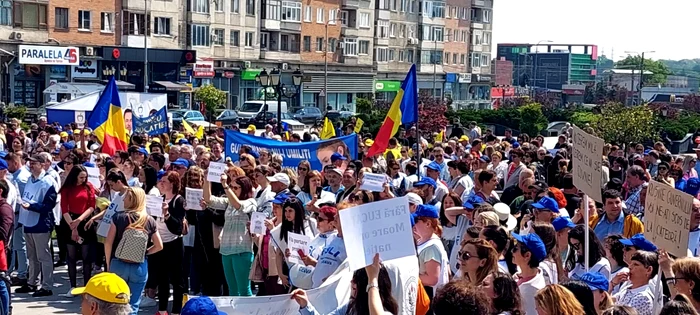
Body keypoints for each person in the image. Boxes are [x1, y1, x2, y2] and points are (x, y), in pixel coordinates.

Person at [104, 187, 163, 315]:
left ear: (132, 200)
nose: (124, 199)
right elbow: (159, 245)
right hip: (139, 266)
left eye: (126, 197)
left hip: (118, 263)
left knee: (116, 304)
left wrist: (108, 264)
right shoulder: (149, 220)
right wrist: (144, 252)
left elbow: (108, 242)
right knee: (134, 304)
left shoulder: (118, 217)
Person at [202, 173, 257, 296]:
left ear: (245, 189)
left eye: (235, 188)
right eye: (231, 187)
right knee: (232, 289)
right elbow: (208, 200)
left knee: (243, 289)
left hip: (242, 250)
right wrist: (207, 181)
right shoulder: (228, 202)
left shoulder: (251, 201)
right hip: (226, 250)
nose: (232, 189)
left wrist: (225, 185)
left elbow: (239, 206)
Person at [291, 253, 399, 315]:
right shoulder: (351, 307)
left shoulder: (386, 312)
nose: (351, 282)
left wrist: (372, 279)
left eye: (356, 279)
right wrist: (305, 305)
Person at [16, 154, 58, 297]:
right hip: (28, 222)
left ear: (42, 164)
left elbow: (49, 205)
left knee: (43, 256)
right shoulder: (29, 179)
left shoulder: (48, 182)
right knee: (31, 256)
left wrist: (32, 207)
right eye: (30, 163)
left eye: (34, 163)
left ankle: (47, 286)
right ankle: (32, 282)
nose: (31, 165)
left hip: (41, 223)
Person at [58, 165, 97, 297]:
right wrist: (73, 227)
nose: (83, 180)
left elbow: (92, 206)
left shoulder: (88, 186)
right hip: (69, 220)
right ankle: (73, 286)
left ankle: (86, 287)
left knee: (86, 257)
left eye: (85, 177)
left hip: (84, 220)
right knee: (71, 256)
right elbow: (64, 209)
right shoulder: (67, 188)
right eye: (81, 177)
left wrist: (79, 220)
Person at [152, 171, 186, 315]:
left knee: (177, 279)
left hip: (174, 244)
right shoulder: (158, 198)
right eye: (160, 181)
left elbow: (177, 228)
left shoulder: (178, 200)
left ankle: (176, 311)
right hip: (160, 243)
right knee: (162, 279)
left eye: (164, 181)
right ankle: (162, 310)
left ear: (172, 183)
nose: (161, 183)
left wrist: (166, 214)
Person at [412, 204, 449, 299]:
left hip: (430, 298)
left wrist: (409, 275)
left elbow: (432, 279)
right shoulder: (425, 241)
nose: (413, 224)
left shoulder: (432, 247)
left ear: (428, 224)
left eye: (416, 221)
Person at [511, 232, 547, 315]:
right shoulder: (519, 276)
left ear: (527, 255)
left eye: (515, 248)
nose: (512, 251)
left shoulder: (534, 291)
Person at [613, 251, 658, 315]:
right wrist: (613, 283)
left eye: (635, 264)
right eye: (631, 263)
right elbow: (605, 303)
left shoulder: (643, 297)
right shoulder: (627, 288)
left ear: (649, 270)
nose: (630, 267)